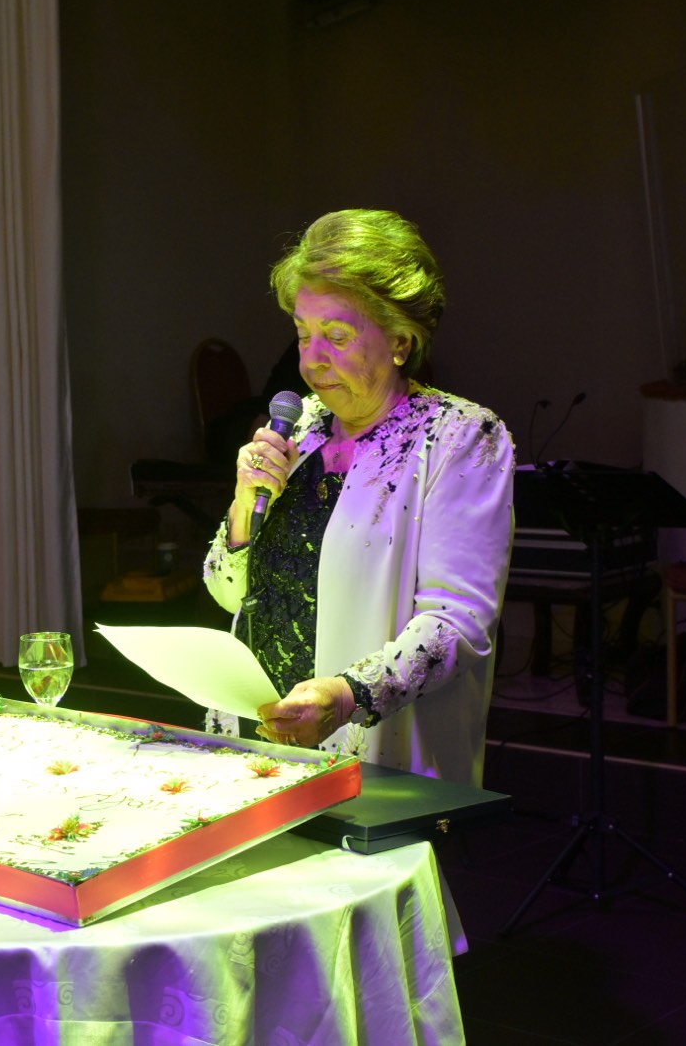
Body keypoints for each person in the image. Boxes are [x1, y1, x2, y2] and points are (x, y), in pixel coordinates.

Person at [202, 209, 513, 786]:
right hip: (255, 749)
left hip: (367, 756)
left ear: (400, 341)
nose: (311, 360)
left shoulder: (459, 437)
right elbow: (227, 594)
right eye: (303, 334)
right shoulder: (298, 427)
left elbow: (458, 623)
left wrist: (347, 696)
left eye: (337, 337)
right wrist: (244, 507)